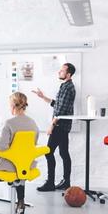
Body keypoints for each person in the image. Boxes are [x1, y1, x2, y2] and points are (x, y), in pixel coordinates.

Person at [0, 92, 39, 214]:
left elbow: (1, 148)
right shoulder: (33, 124)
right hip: (26, 165)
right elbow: (32, 146)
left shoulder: (9, 123)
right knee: (20, 167)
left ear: (13, 106)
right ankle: (21, 201)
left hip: (9, 165)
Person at [33, 63, 76, 192]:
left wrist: (52, 124)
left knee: (48, 152)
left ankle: (50, 183)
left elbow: (61, 110)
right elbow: (57, 104)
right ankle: (66, 183)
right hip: (63, 125)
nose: (59, 72)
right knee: (63, 153)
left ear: (68, 74)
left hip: (59, 125)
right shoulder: (65, 86)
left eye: (62, 71)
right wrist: (43, 97)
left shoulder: (68, 87)